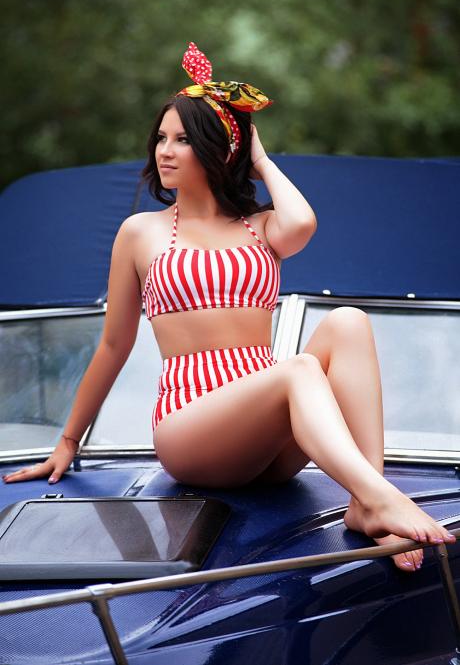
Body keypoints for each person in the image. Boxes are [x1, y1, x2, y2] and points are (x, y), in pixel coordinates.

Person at [3, 43, 455, 573]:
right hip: (190, 431)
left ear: (220, 151)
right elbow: (113, 344)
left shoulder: (261, 226)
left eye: (183, 140)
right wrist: (67, 442)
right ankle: (382, 497)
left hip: (269, 443)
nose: (164, 151)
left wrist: (258, 157)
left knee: (348, 323)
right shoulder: (140, 233)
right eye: (161, 139)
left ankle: (366, 500)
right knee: (298, 369)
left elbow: (303, 223)